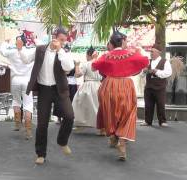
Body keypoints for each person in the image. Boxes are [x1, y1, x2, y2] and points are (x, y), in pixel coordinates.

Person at [18, 27, 75, 165]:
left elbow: (68, 67)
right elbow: (26, 60)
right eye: (61, 40)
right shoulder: (40, 49)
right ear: (54, 37)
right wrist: (19, 49)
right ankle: (40, 154)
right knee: (42, 124)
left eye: (64, 41)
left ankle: (62, 141)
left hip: (59, 89)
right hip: (44, 90)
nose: (62, 43)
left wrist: (60, 50)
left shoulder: (64, 52)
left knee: (69, 116)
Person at [92, 29, 148, 161]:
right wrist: (139, 52)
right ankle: (122, 144)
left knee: (110, 112)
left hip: (109, 85)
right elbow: (145, 62)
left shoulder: (107, 55)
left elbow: (94, 67)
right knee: (128, 114)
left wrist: (96, 58)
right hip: (125, 85)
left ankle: (112, 136)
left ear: (111, 43)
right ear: (122, 41)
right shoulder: (131, 53)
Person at [0, 37, 34, 139]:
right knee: (28, 104)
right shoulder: (30, 51)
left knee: (16, 101)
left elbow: (2, 51)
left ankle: (17, 124)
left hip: (15, 79)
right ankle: (28, 130)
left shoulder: (12, 52)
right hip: (27, 80)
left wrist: (5, 42)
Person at [72, 46, 103, 134]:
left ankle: (81, 124)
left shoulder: (87, 64)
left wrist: (77, 65)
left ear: (88, 55)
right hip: (99, 85)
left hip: (88, 86)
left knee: (80, 105)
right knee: (98, 106)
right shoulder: (100, 63)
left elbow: (78, 74)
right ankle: (102, 127)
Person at [141, 44, 172, 127]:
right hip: (148, 87)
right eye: (151, 52)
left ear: (158, 52)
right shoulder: (148, 61)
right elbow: (142, 75)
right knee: (148, 104)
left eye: (152, 52)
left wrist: (156, 72)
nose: (151, 53)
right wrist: (143, 71)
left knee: (160, 104)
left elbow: (168, 73)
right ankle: (147, 121)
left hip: (160, 87)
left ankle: (162, 121)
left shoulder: (165, 61)